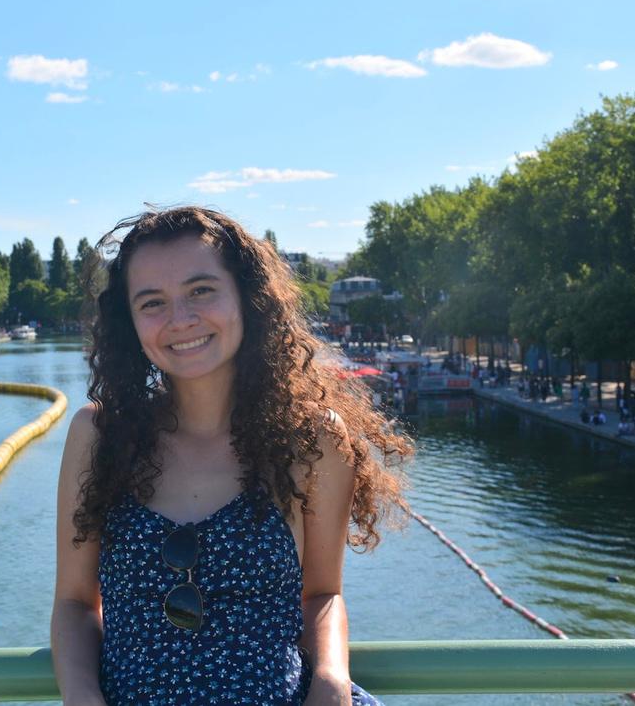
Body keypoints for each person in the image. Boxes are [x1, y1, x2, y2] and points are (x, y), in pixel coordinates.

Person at [51, 207, 409, 706]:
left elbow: (322, 595)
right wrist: (81, 694)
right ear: (128, 323)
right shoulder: (98, 436)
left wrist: (330, 679)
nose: (181, 319)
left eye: (201, 291)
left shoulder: (313, 439)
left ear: (247, 297)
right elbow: (73, 603)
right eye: (153, 302)